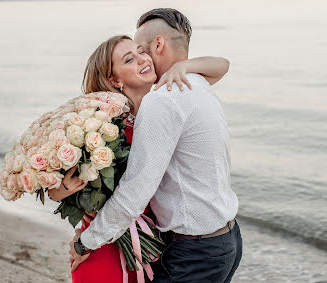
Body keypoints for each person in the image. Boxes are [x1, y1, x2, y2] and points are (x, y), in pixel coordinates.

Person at [68, 8, 242, 283]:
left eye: (141, 49)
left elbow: (136, 189)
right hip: (226, 240)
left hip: (196, 251)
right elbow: (221, 66)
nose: (142, 58)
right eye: (131, 56)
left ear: (158, 44)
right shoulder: (196, 82)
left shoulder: (163, 98)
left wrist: (85, 242)